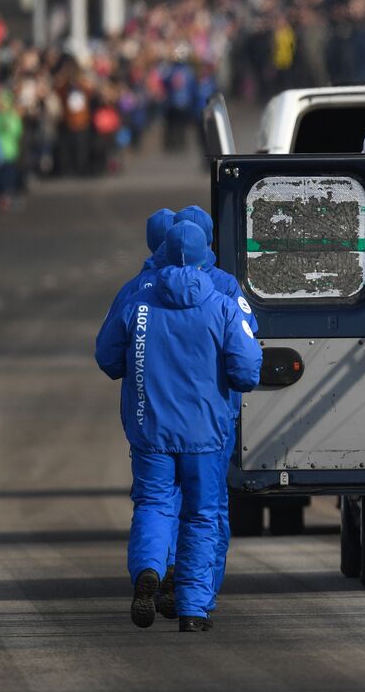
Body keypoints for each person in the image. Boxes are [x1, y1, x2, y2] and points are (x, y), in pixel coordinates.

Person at [94, 221, 262, 632]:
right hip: (205, 434)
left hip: (150, 430)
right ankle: (192, 608)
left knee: (153, 504)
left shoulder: (139, 300)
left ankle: (148, 570)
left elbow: (108, 358)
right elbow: (245, 372)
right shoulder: (222, 304)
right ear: (208, 252)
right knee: (202, 516)